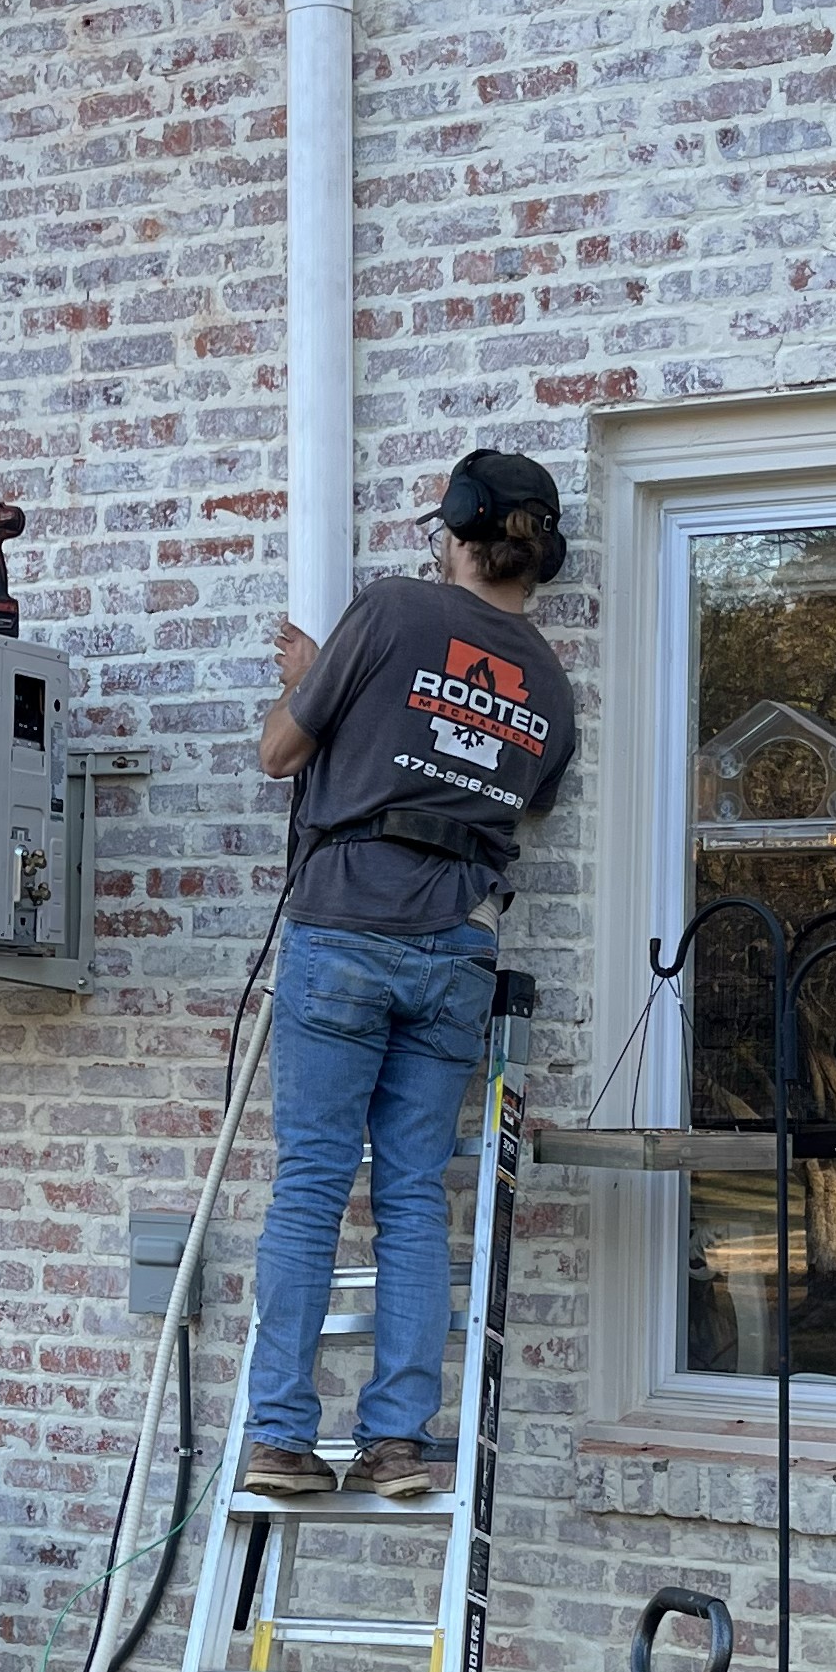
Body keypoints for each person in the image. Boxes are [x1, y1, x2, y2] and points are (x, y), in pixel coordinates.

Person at [243, 448, 578, 1502]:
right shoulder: (556, 689)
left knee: (308, 1189)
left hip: (347, 927)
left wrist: (312, 686)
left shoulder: (389, 612)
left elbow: (279, 756)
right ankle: (398, 1445)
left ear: (462, 535)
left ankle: (283, 1443)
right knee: (414, 1202)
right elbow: (508, 795)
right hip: (458, 949)